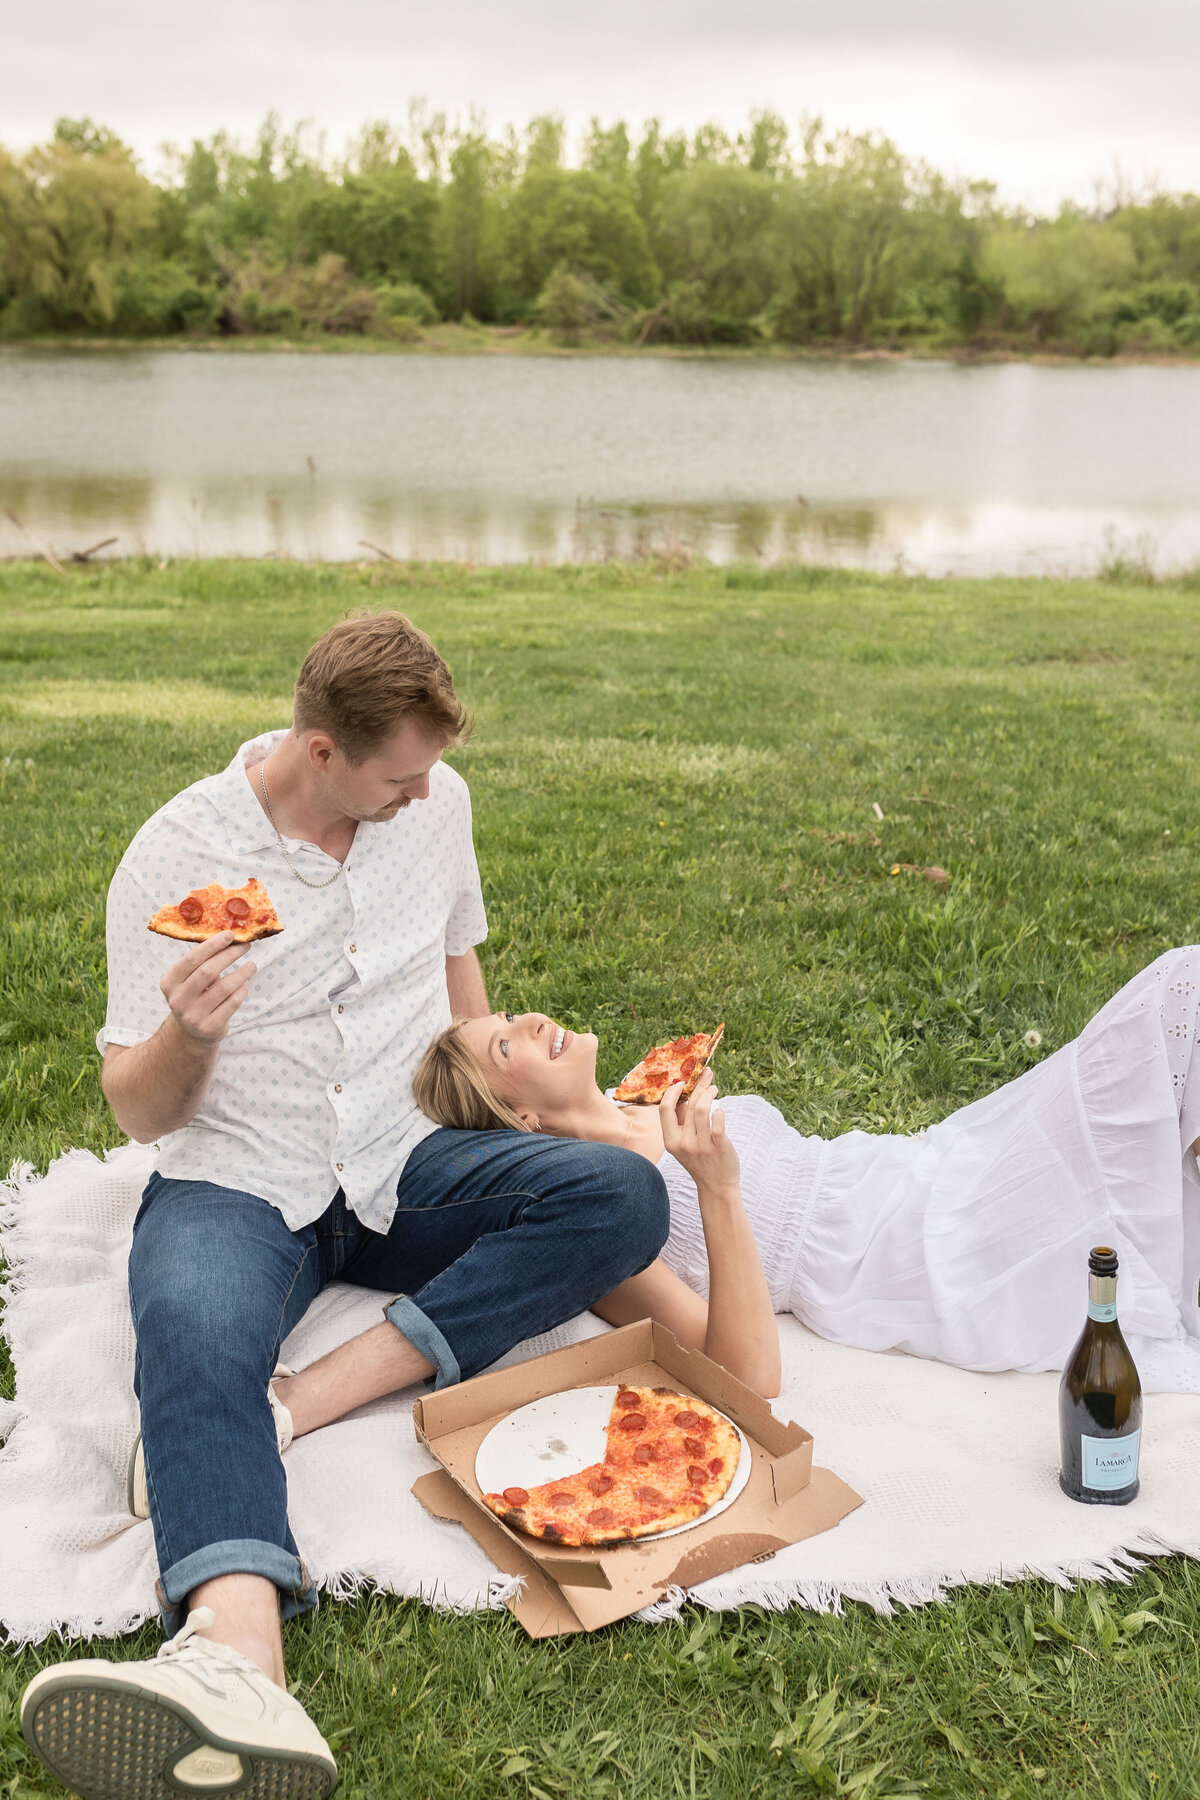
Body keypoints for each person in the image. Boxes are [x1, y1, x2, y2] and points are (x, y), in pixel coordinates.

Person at [19, 612, 669, 1800]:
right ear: (322, 751)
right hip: (239, 1174)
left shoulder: (439, 804)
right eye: (400, 777)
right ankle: (234, 1648)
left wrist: (512, 1102)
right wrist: (188, 1036)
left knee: (621, 1196)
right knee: (190, 1329)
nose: (426, 797)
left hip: (401, 1155)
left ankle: (302, 1400)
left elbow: (458, 962)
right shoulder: (176, 856)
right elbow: (134, 1109)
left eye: (430, 772)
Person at [411, 947, 1200, 1385]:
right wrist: (718, 1190)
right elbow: (746, 1377)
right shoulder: (604, 1219)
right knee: (1176, 992)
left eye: (509, 1014)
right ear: (522, 1119)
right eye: (507, 1042)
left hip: (912, 1167)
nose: (531, 1018)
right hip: (898, 1252)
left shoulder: (643, 1092)